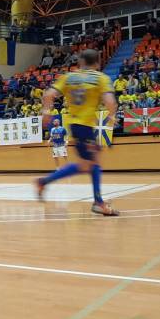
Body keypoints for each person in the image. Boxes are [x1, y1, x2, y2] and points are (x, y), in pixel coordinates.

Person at [35, 49, 120, 216]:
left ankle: (97, 201)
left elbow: (48, 94)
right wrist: (111, 115)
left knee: (91, 163)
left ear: (80, 62)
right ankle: (97, 202)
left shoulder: (69, 77)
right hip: (85, 127)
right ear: (97, 62)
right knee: (89, 164)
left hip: (74, 125)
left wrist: (46, 113)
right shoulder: (101, 78)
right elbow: (111, 101)